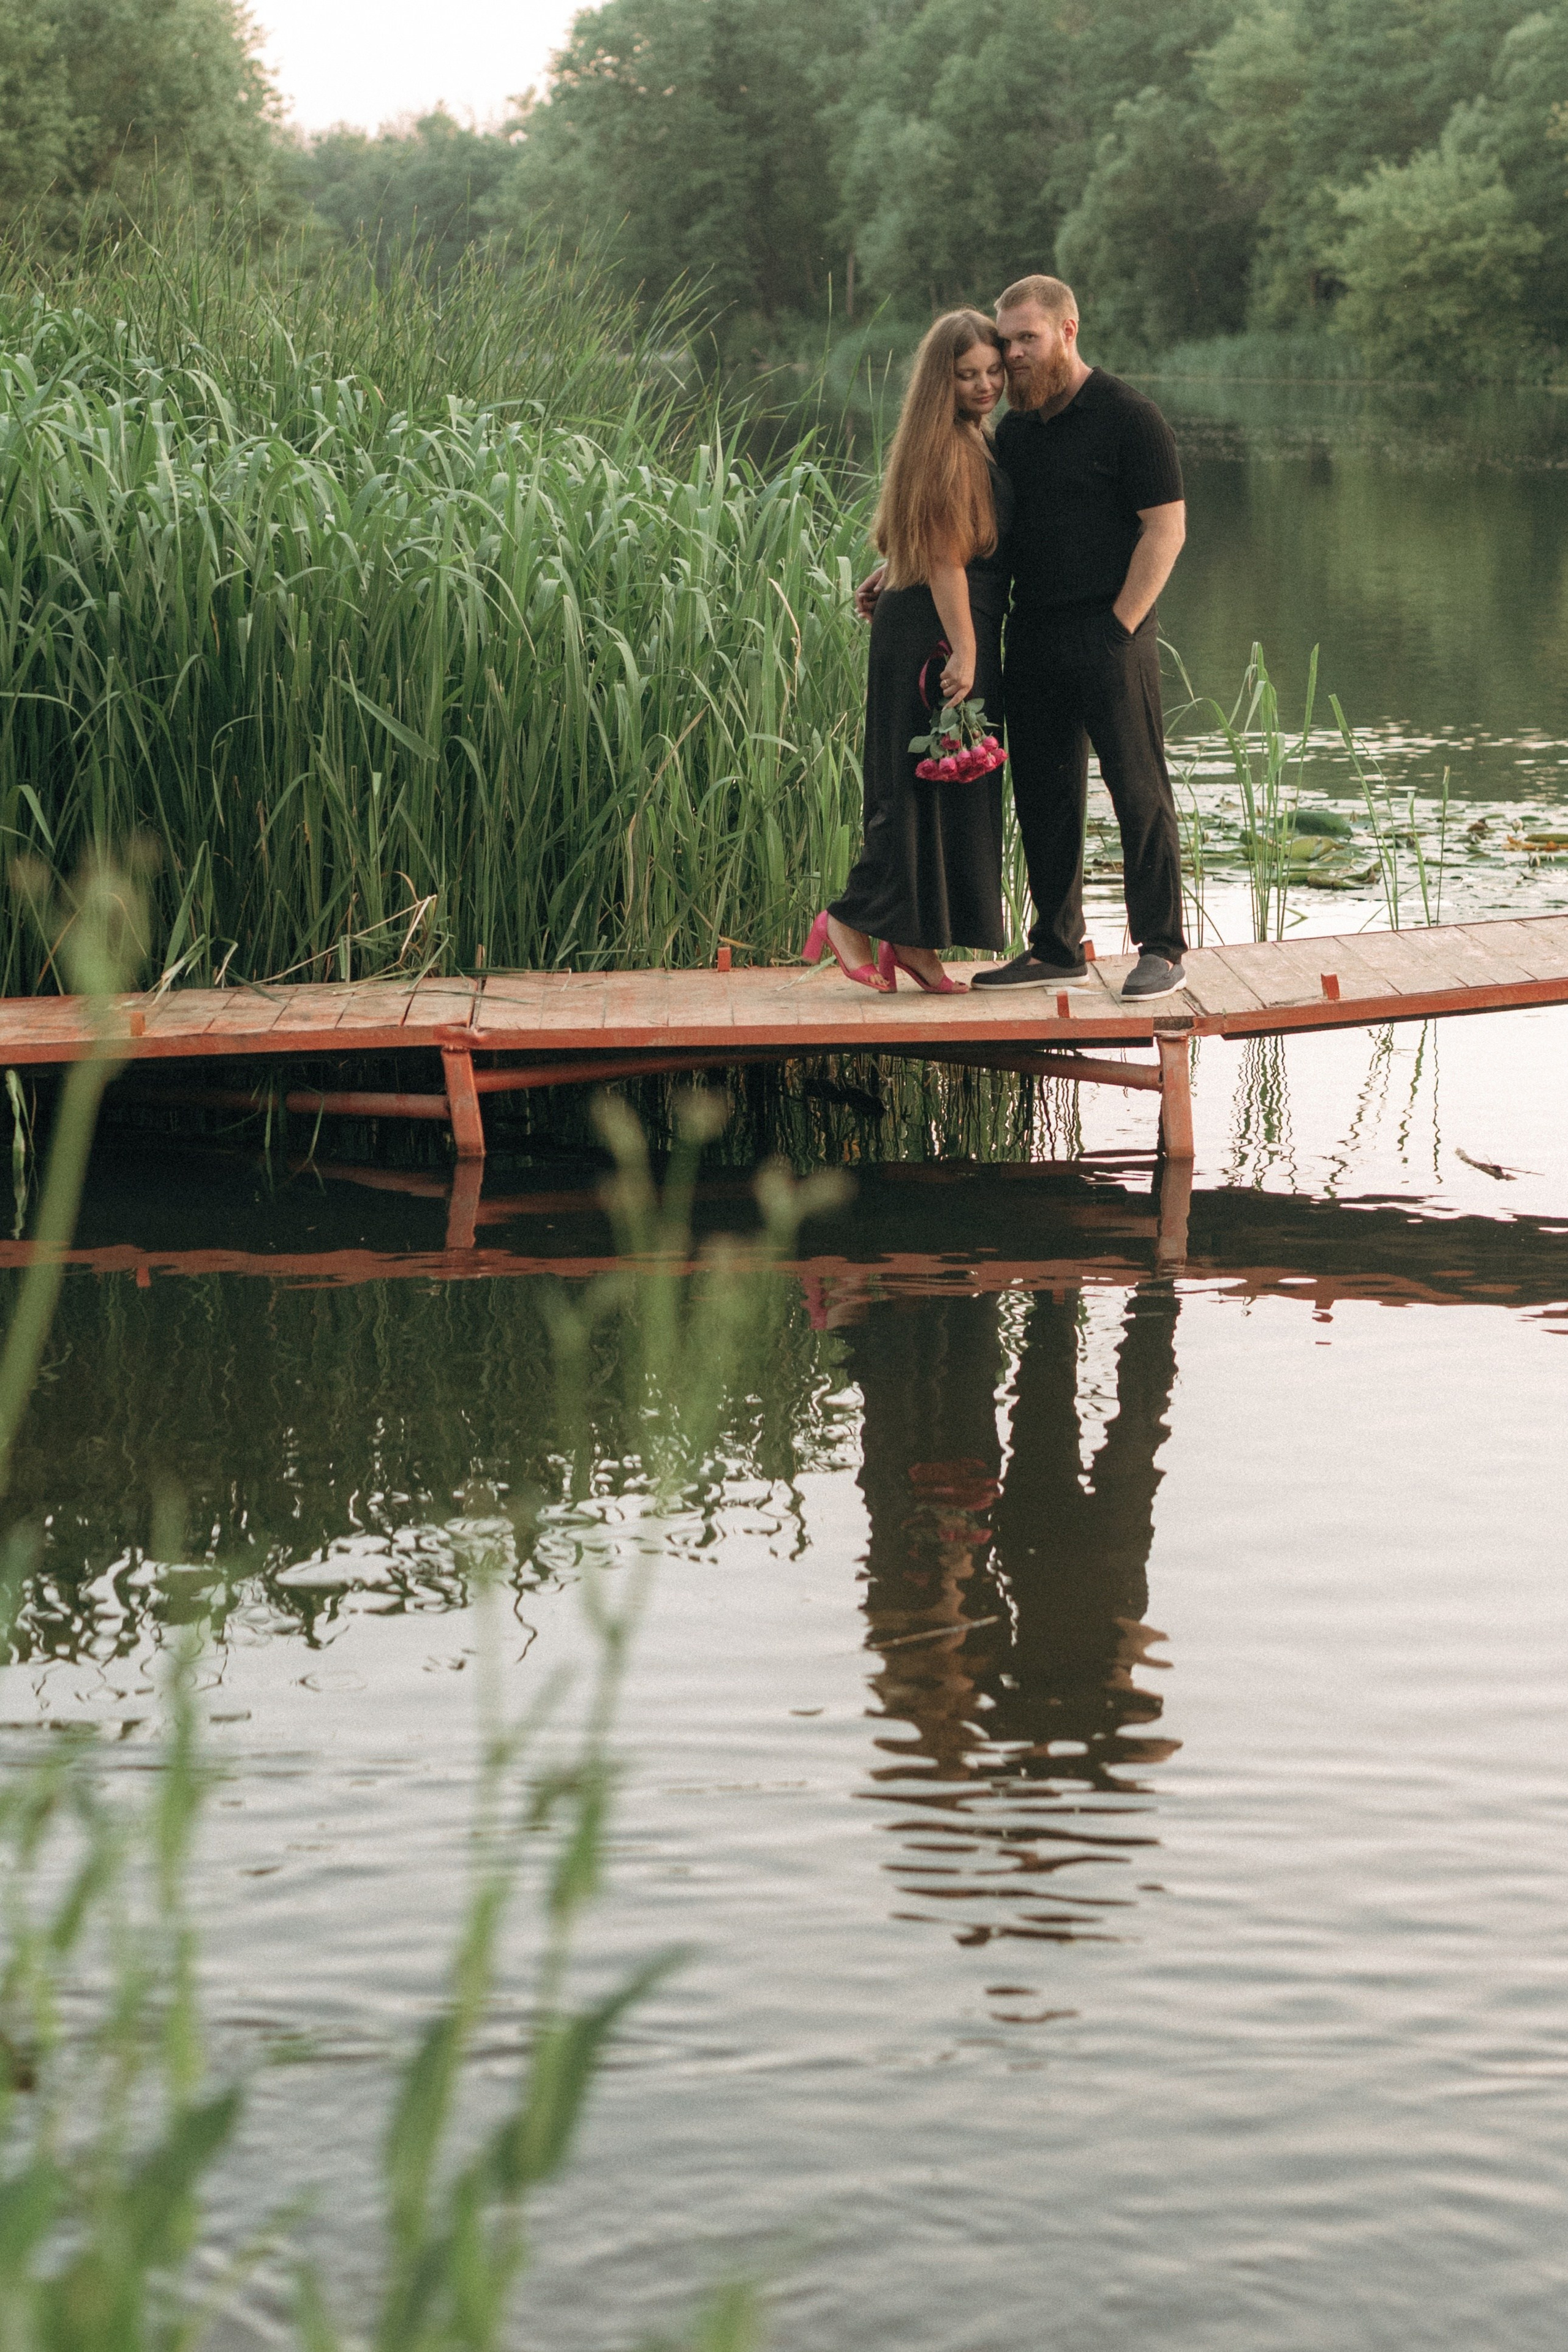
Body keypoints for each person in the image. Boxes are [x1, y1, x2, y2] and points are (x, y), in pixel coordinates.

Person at [856, 276, 1189, 1002]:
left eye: (1025, 340)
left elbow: (1166, 530)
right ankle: (1056, 947)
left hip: (1110, 634)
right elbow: (969, 525)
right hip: (1030, 634)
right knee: (1043, 796)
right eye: (1004, 341)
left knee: (1138, 792)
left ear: (1068, 331)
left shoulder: (1130, 417)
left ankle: (1162, 947)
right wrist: (899, 566)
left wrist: (1120, 626)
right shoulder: (1014, 430)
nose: (1011, 357)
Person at [805, 311, 1012, 995]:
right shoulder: (951, 444)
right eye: (967, 375)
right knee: (916, 785)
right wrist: (965, 650)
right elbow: (949, 558)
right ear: (941, 381)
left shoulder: (966, 435)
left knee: (943, 790)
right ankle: (846, 918)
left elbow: (919, 535)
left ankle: (915, 944)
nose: (984, 385)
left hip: (932, 614)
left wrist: (890, 571)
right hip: (939, 627)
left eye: (992, 370)